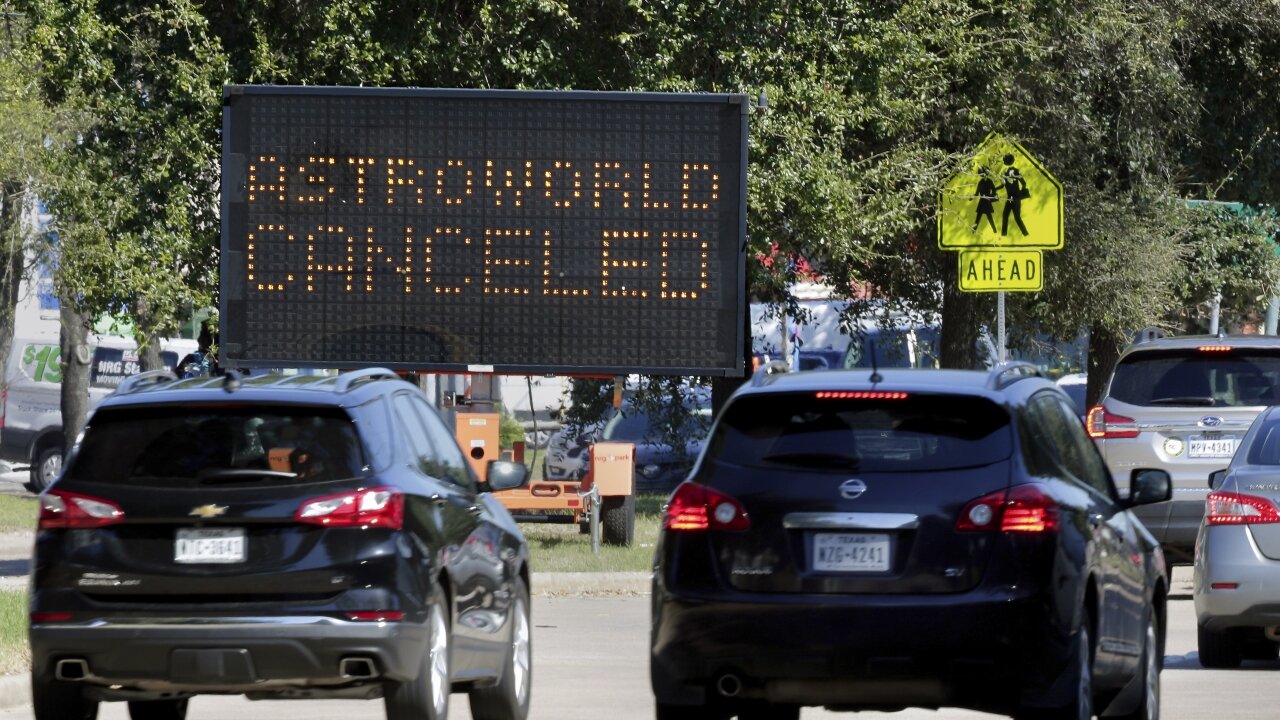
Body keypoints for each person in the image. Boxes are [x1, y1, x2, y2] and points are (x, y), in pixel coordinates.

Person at [1000, 154, 1030, 237]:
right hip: (1012, 198)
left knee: (1014, 217)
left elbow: (1023, 183)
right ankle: (1004, 235)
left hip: (1014, 199)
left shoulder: (1009, 172)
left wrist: (1018, 195)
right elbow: (1023, 183)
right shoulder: (1006, 173)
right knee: (1008, 216)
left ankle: (1025, 234)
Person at [971, 166, 998, 233]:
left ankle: (994, 230)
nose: (984, 175)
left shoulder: (990, 181)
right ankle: (974, 230)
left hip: (988, 201)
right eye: (982, 174)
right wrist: (972, 198)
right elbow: (977, 193)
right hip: (982, 201)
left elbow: (994, 190)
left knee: (989, 216)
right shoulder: (980, 182)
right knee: (978, 217)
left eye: (985, 173)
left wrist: (990, 196)